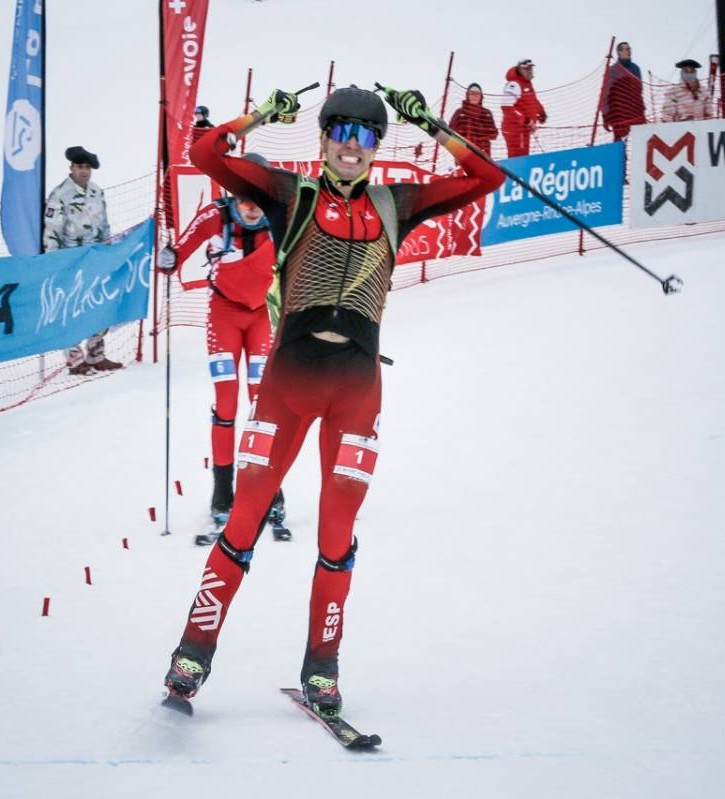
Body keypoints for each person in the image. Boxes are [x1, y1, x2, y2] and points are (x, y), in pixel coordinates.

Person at [162, 85, 504, 717]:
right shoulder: (293, 194)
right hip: (288, 383)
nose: (353, 143)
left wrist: (430, 124)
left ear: (377, 146)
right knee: (245, 521)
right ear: (322, 138)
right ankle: (193, 650)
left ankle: (323, 667)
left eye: (367, 133)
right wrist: (262, 114)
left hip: (356, 389)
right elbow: (205, 151)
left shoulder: (395, 201)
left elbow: (485, 175)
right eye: (342, 130)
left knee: (337, 531)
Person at [159, 154, 289, 538]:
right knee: (228, 403)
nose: (251, 208)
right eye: (244, 198)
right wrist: (169, 259)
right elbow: (178, 253)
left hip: (261, 317)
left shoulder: (280, 220)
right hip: (224, 316)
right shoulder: (215, 216)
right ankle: (222, 496)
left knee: (263, 403)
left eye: (258, 198)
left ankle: (272, 491)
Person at [44, 146, 122, 375]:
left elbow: (104, 226)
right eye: (80, 167)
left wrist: (108, 255)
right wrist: (54, 264)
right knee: (69, 311)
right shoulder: (59, 195)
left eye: (88, 167)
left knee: (100, 306)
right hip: (70, 262)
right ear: (71, 168)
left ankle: (96, 355)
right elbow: (51, 233)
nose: (84, 171)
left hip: (95, 260)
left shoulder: (97, 192)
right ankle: (76, 361)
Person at [500, 60, 547, 158]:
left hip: (525, 129)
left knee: (524, 156)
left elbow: (533, 101)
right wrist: (524, 119)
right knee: (517, 157)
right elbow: (506, 107)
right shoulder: (514, 84)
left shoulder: (527, 84)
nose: (529, 71)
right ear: (520, 70)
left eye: (530, 68)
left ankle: (520, 172)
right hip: (514, 129)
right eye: (526, 69)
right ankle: (513, 172)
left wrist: (541, 113)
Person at [601, 41, 647, 141]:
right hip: (619, 112)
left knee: (642, 137)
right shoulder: (613, 70)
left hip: (635, 110)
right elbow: (605, 94)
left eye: (629, 49)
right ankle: (621, 156)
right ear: (619, 52)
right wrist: (605, 115)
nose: (629, 51)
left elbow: (639, 89)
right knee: (620, 140)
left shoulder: (635, 68)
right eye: (626, 49)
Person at [447, 82, 498, 157]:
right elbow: (450, 132)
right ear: (467, 95)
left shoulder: (486, 113)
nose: (474, 96)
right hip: (463, 154)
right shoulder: (459, 113)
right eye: (472, 93)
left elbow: (494, 135)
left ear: (481, 96)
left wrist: (483, 132)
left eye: (477, 94)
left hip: (483, 155)